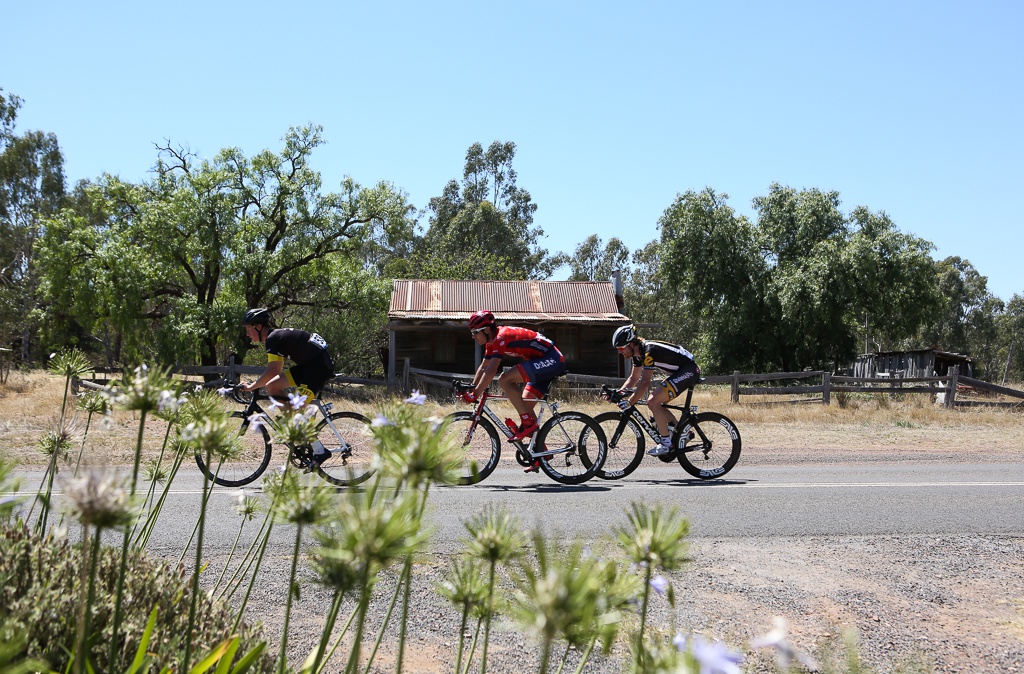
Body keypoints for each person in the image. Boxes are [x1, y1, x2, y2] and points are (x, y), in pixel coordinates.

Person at [240, 308, 336, 467]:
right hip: (308, 366)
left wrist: (251, 387)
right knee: (272, 386)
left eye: (248, 329)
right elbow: (275, 373)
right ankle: (294, 427)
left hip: (318, 369)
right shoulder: (275, 337)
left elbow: (273, 370)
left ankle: (319, 450)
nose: (247, 334)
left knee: (296, 410)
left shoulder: (272, 338)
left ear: (258, 326)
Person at [461, 310, 567, 442]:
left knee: (505, 379)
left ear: (487, 330)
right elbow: (484, 367)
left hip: (552, 359)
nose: (473, 336)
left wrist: (476, 394)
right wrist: (472, 388)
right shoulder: (491, 342)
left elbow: (492, 370)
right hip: (539, 362)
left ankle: (527, 424)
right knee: (525, 407)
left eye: (475, 332)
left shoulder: (500, 338)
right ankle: (539, 455)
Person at [610, 324, 700, 456]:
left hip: (689, 370)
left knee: (652, 401)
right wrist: (618, 393)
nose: (619, 351)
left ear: (631, 344)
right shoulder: (638, 354)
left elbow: (645, 383)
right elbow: (634, 378)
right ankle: (683, 432)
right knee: (654, 402)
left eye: (621, 348)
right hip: (681, 371)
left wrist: (630, 402)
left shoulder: (648, 351)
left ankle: (666, 444)